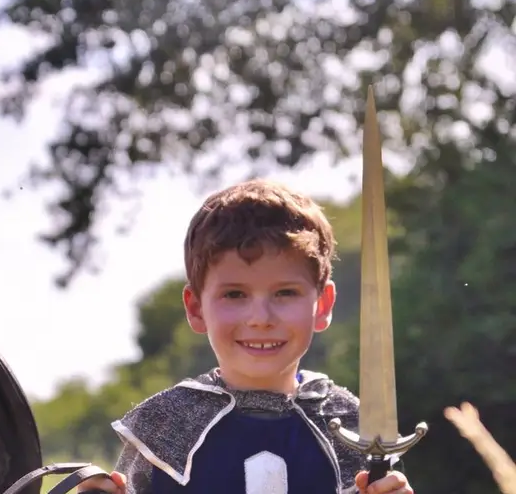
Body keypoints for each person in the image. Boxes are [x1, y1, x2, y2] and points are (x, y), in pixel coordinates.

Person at [79, 180, 414, 494]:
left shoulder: (353, 425)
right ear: (196, 309)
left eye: (285, 292)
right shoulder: (166, 425)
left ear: (322, 305)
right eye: (235, 294)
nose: (260, 319)